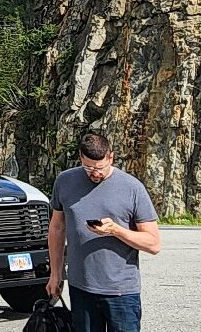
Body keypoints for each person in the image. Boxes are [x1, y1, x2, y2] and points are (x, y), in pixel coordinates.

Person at [46, 132, 161, 332]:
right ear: (80, 157)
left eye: (100, 167)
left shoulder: (132, 188)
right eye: (88, 167)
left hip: (122, 293)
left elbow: (153, 244)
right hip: (81, 289)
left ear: (111, 157)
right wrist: (55, 274)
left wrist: (116, 230)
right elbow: (57, 228)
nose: (95, 173)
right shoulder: (64, 181)